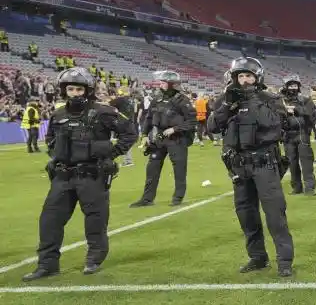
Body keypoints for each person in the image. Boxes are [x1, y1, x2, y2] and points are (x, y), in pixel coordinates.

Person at [22, 68, 136, 281]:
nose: (75, 93)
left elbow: (129, 133)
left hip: (92, 175)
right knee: (49, 220)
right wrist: (57, 154)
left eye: (79, 88)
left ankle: (93, 260)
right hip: (63, 176)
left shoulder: (104, 111)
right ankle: (47, 265)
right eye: (70, 88)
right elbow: (50, 140)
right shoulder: (58, 114)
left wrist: (111, 153)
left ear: (88, 90)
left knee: (95, 221)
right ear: (64, 90)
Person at [208, 57, 294, 277]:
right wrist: (227, 105)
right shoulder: (226, 100)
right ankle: (257, 257)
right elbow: (212, 127)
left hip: (264, 163)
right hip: (239, 166)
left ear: (257, 78)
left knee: (275, 213)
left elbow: (275, 125)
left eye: (248, 76)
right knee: (246, 214)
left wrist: (252, 100)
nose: (244, 80)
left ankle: (284, 260)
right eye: (240, 76)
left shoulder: (270, 98)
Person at [131, 71, 196, 207]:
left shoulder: (182, 100)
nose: (160, 85)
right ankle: (147, 199)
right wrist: (144, 135)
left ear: (172, 84)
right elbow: (148, 118)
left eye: (163, 83)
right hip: (159, 138)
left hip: (177, 139)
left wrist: (175, 129)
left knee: (179, 169)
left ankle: (177, 198)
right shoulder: (157, 98)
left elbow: (191, 121)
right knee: (152, 169)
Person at [281, 74, 316, 195]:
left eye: (295, 85)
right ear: (286, 86)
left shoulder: (305, 100)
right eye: (290, 85)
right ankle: (296, 187)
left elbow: (311, 115)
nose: (293, 87)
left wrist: (296, 110)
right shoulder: (281, 101)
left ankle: (310, 188)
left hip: (302, 134)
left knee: (306, 163)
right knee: (292, 163)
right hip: (287, 135)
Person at [109, 88, 138, 167]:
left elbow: (108, 104)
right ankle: (128, 160)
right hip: (130, 122)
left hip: (123, 123)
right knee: (126, 141)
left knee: (122, 141)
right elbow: (135, 111)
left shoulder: (120, 100)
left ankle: (126, 160)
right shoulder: (131, 100)